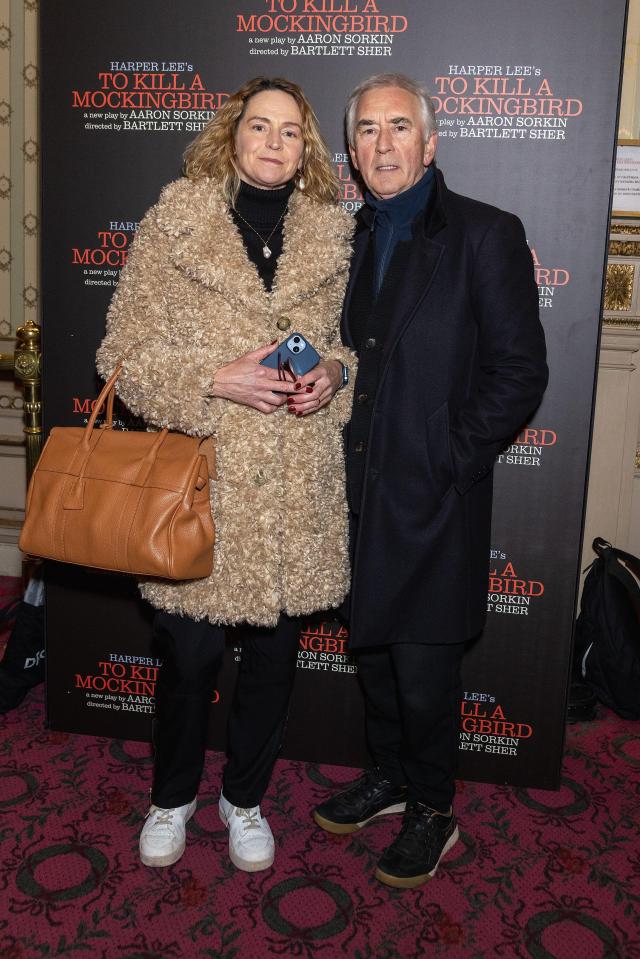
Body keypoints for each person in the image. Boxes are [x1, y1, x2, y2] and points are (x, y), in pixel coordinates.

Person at [96, 76, 356, 873]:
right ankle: (171, 797)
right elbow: (121, 355)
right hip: (202, 489)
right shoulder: (177, 222)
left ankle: (243, 798)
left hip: (292, 490)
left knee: (275, 663)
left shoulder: (332, 234)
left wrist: (334, 379)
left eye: (290, 130)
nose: (273, 141)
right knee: (188, 661)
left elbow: (348, 345)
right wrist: (216, 378)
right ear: (231, 135)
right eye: (259, 126)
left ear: (306, 146)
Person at [313, 73, 548, 888]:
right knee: (372, 651)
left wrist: (449, 457)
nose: (383, 144)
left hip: (432, 495)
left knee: (422, 669)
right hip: (348, 491)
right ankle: (390, 776)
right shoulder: (339, 239)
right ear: (351, 150)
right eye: (367, 130)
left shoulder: (485, 233)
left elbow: (519, 372)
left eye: (399, 127)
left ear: (431, 140)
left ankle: (433, 807)